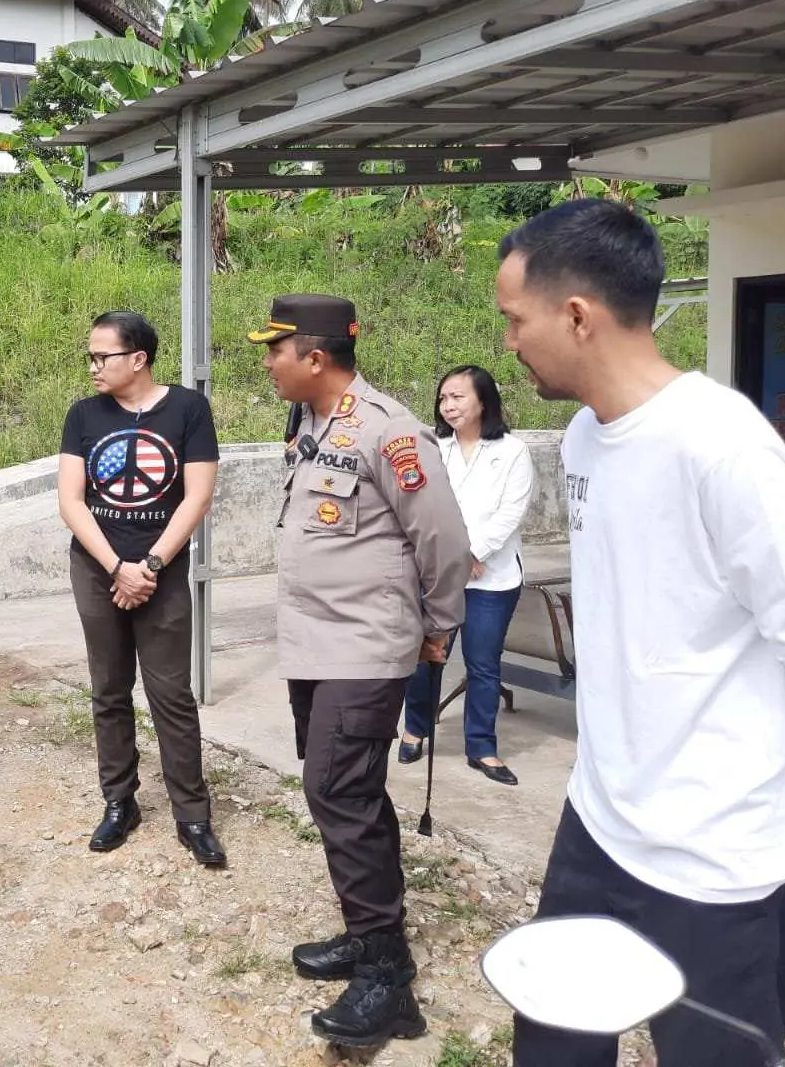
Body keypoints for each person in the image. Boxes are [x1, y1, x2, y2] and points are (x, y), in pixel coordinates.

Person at [496, 199, 785, 1067]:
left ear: (578, 316)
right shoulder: (587, 438)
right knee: (553, 1049)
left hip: (717, 860)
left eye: (516, 320)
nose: (509, 343)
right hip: (599, 824)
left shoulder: (723, 448)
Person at [252, 293, 470, 1047]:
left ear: (314, 357)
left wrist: (440, 626)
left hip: (365, 646)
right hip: (314, 644)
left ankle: (388, 979)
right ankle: (367, 932)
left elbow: (441, 536)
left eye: (275, 350)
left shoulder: (390, 431)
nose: (268, 363)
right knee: (347, 790)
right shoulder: (309, 421)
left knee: (335, 789)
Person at [57, 310, 226, 867]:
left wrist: (149, 564)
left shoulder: (188, 410)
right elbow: (71, 501)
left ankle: (192, 815)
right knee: (108, 687)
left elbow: (196, 497)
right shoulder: (83, 415)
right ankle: (118, 801)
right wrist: (116, 568)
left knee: (171, 694)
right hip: (97, 567)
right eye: (89, 355)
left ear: (139, 358)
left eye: (101, 356)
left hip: (163, 569)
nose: (92, 367)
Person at [398, 366, 535, 785]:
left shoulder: (512, 451)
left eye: (457, 397)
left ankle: (482, 747)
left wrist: (474, 552)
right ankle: (415, 728)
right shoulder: (434, 448)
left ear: (483, 401)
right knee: (427, 656)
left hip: (492, 577)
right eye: (443, 399)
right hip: (438, 571)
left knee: (483, 663)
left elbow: (512, 510)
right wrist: (452, 555)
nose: (448, 405)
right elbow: (422, 505)